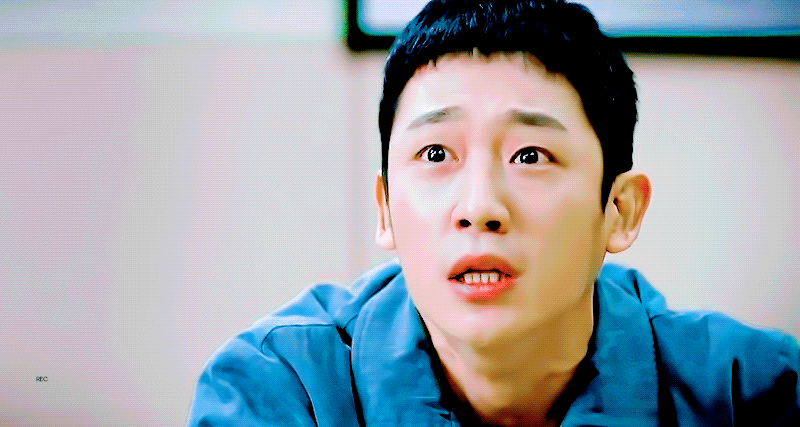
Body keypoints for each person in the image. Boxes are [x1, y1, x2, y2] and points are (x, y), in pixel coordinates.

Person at [186, 0, 800, 425]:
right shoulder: (278, 390)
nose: (480, 208)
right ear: (386, 208)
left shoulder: (752, 392)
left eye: (531, 155)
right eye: (436, 154)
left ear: (619, 210)